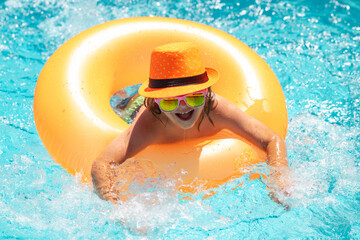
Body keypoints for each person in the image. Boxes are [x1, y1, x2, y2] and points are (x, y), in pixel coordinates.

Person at [91, 42, 290, 205]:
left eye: (194, 98)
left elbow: (272, 139)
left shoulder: (216, 108)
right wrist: (116, 205)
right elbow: (103, 163)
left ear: (207, 93)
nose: (183, 107)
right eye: (170, 101)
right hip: (133, 107)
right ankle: (124, 94)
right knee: (122, 104)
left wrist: (278, 179)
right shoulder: (150, 122)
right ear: (158, 103)